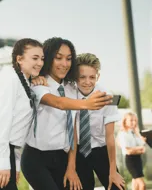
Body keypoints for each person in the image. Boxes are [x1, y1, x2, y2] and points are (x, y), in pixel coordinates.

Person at [21, 38, 112, 190]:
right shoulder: (38, 85)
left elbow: (73, 131)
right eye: (58, 58)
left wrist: (71, 167)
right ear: (49, 58)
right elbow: (59, 103)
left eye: (69, 59)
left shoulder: (72, 87)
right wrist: (86, 104)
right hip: (36, 159)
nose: (64, 64)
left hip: (62, 158)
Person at [0, 38, 45, 190]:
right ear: (19, 59)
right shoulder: (11, 78)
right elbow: (2, 122)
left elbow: (18, 131)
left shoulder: (24, 83)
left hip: (5, 151)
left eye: (42, 59)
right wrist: (3, 163)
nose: (40, 63)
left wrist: (15, 165)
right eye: (35, 58)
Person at [74, 53, 125, 190]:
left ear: (98, 76)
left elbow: (110, 136)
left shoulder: (106, 96)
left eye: (92, 77)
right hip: (77, 151)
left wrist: (113, 171)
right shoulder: (68, 92)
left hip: (101, 149)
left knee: (117, 187)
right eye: (82, 77)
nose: (87, 82)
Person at [117, 112, 146, 190]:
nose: (134, 122)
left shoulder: (134, 132)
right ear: (125, 121)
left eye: (135, 120)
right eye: (131, 120)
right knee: (142, 185)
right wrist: (138, 149)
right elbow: (127, 150)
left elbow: (142, 146)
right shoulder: (123, 133)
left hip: (138, 159)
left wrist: (138, 134)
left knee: (135, 185)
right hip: (131, 160)